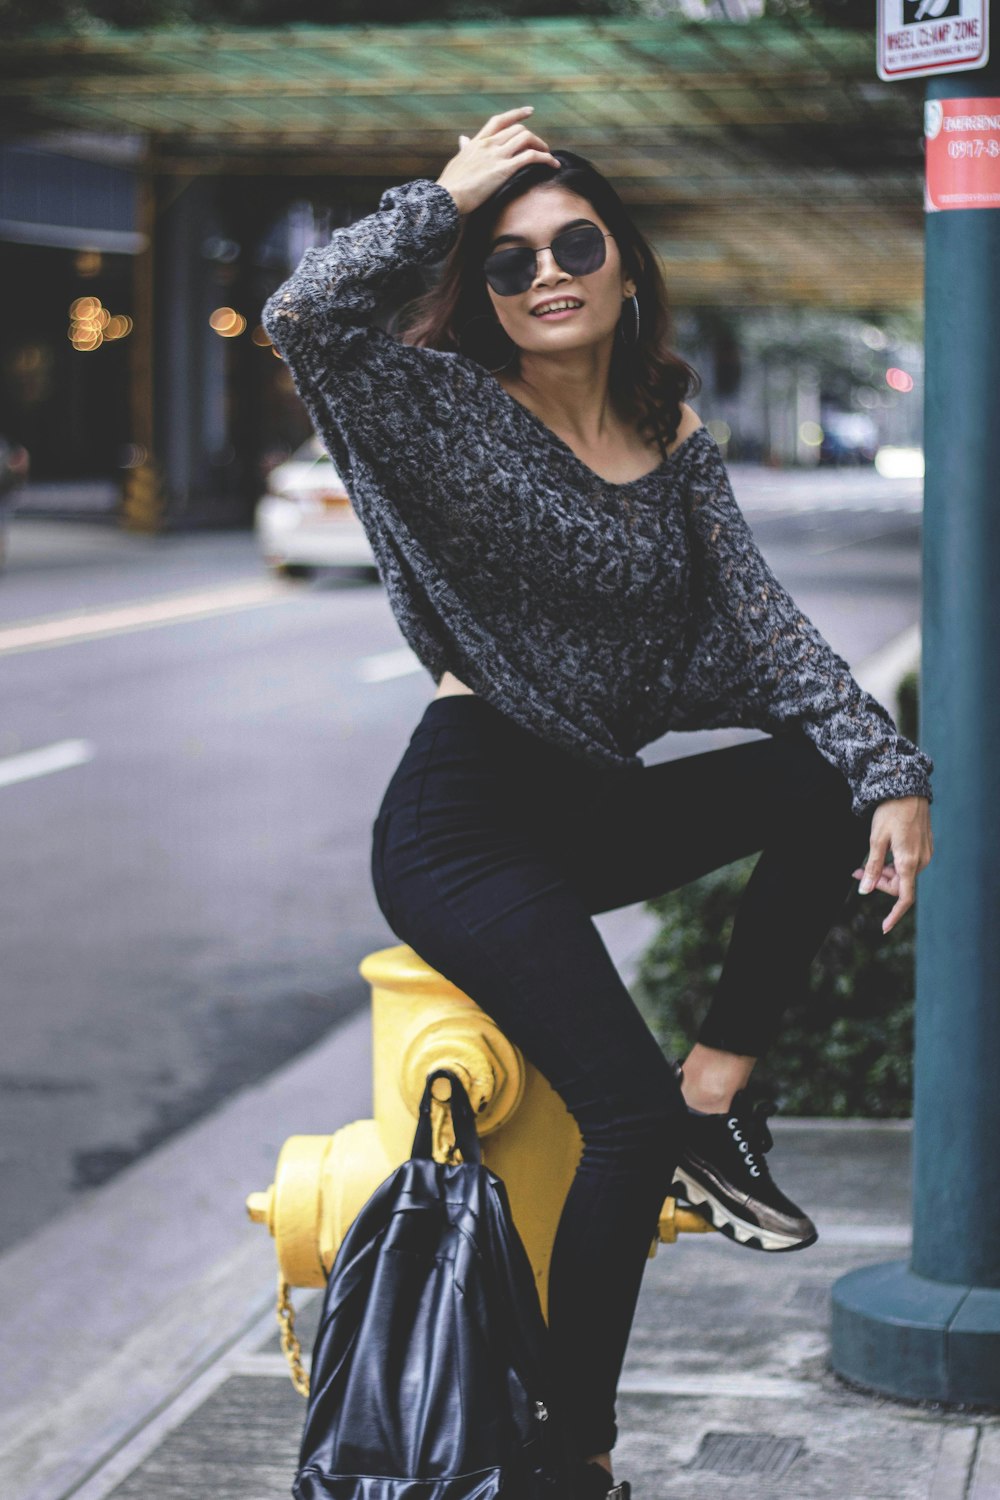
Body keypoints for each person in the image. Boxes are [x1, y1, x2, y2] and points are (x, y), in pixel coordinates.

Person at [261, 107, 935, 1500]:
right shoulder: (438, 408)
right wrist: (443, 196)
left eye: (577, 243)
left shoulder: (668, 427)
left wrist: (892, 776)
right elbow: (307, 316)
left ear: (625, 262)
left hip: (592, 801)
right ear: (482, 287)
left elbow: (761, 630)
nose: (548, 274)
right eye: (510, 262)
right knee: (615, 1121)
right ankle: (570, 1462)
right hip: (466, 821)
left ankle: (720, 1090)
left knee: (822, 779)